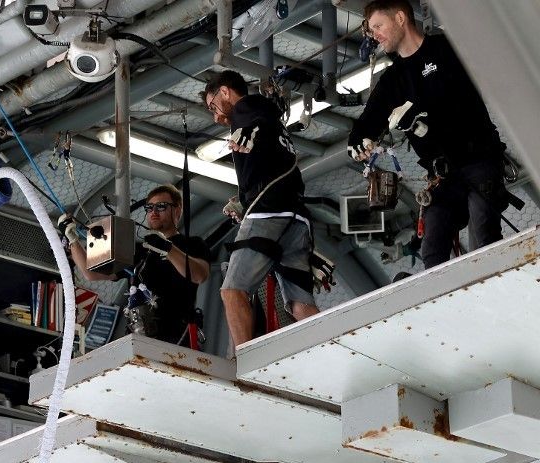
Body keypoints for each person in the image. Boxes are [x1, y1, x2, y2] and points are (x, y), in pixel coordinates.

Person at [347, 0, 509, 268]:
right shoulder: (392, 79)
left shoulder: (446, 49)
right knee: (432, 250)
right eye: (372, 30)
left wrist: (419, 116)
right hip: (442, 178)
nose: (375, 34)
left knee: (484, 236)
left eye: (378, 26)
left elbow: (466, 98)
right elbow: (368, 120)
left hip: (478, 161)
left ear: (400, 18)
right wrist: (357, 140)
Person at [203, 69, 320, 349]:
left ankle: (246, 361)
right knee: (299, 303)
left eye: (212, 105)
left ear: (225, 92)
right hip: (295, 216)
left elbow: (260, 115)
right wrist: (243, 201)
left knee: (232, 291)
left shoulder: (246, 110)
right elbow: (267, 130)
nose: (215, 115)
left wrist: (248, 128)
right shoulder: (265, 123)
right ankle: (323, 350)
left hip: (269, 213)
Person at [64, 184, 211, 345]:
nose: (154, 212)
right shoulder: (140, 251)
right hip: (140, 334)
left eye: (161, 206)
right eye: (149, 207)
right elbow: (91, 273)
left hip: (177, 335)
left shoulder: (191, 244)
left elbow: (199, 275)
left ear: (177, 210)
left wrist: (168, 248)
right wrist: (73, 240)